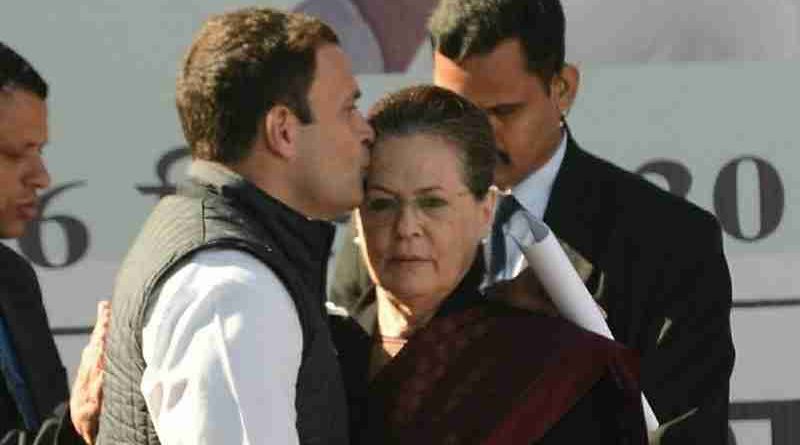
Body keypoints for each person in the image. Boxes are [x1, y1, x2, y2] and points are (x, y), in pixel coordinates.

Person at [427, 0, 734, 443]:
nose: (477, 137)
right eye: (457, 113)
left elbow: (685, 430)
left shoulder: (672, 242)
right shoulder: (386, 232)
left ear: (564, 87)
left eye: (503, 111)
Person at [96, 7, 373, 445]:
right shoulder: (231, 291)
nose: (365, 130)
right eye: (348, 109)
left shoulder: (223, 255)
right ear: (283, 130)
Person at [331, 84, 647, 444]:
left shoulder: (545, 367)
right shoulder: (322, 352)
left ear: (486, 211)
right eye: (383, 203)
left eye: (433, 203)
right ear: (357, 216)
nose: (406, 228)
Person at [0, 41, 110, 445]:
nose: (42, 177)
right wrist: (76, 423)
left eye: (40, 151)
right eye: (15, 153)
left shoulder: (15, 279)